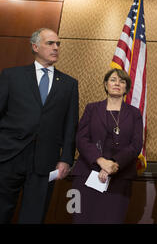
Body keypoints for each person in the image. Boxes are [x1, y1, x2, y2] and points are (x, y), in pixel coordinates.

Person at [0, 28, 79, 223]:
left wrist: (66, 159)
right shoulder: (12, 76)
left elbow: (71, 125)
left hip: (46, 161)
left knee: (34, 217)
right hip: (9, 156)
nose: (56, 48)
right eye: (50, 43)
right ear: (35, 46)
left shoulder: (69, 84)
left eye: (58, 44)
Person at [71, 68, 143, 223]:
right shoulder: (92, 108)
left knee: (112, 219)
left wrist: (114, 164)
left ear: (127, 88)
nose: (117, 83)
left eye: (122, 81)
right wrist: (100, 161)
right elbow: (81, 139)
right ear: (105, 84)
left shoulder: (135, 114)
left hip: (120, 177)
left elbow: (136, 145)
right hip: (87, 174)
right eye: (113, 80)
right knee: (82, 219)